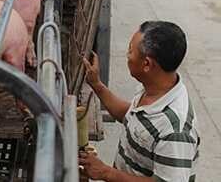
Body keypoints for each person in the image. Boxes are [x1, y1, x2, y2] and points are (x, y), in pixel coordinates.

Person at [79, 21, 200, 181]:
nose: (127, 55)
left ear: (147, 64)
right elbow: (130, 117)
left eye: (130, 51)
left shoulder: (175, 131)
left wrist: (106, 173)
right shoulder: (155, 90)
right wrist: (96, 84)